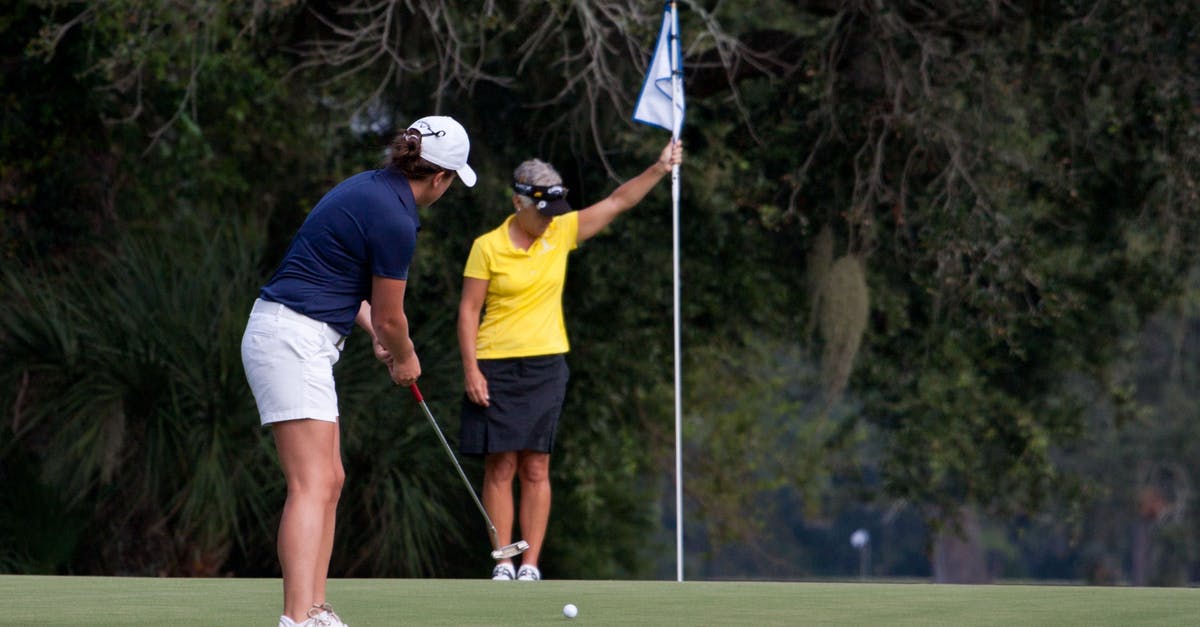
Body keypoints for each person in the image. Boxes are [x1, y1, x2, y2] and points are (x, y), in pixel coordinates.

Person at [241, 115, 476, 627]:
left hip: (299, 335)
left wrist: (376, 334)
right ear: (440, 178)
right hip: (291, 338)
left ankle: (315, 609)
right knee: (311, 481)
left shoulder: (369, 188)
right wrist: (405, 355)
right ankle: (296, 618)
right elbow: (393, 315)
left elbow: (348, 288)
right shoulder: (396, 217)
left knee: (330, 478)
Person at [457, 140, 683, 581]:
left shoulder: (560, 233)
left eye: (553, 212)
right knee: (500, 464)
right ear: (517, 201)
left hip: (546, 364)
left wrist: (658, 167)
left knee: (536, 464)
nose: (548, 221)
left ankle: (531, 565)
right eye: (541, 211)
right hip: (495, 364)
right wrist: (471, 369)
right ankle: (503, 560)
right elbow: (468, 311)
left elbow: (619, 201)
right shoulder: (487, 247)